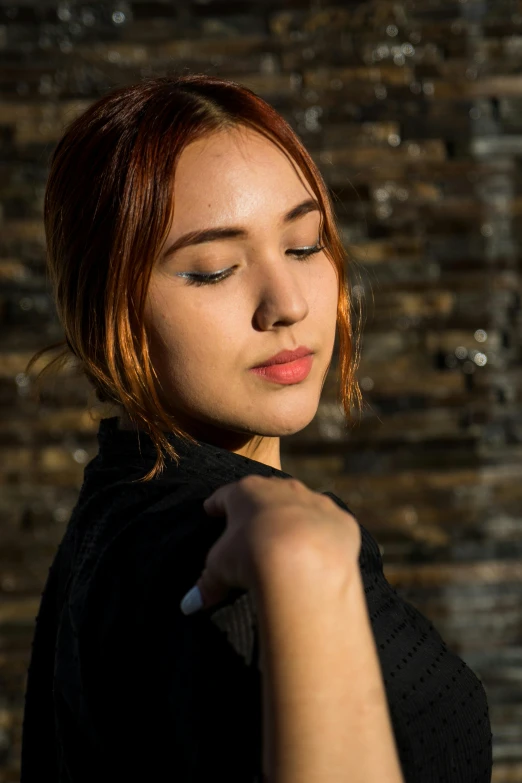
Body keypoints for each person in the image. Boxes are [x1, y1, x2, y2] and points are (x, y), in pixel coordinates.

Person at [20, 73, 493, 782]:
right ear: (104, 306)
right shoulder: (223, 555)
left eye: (304, 247)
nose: (287, 303)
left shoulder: (116, 512)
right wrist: (306, 561)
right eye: (212, 270)